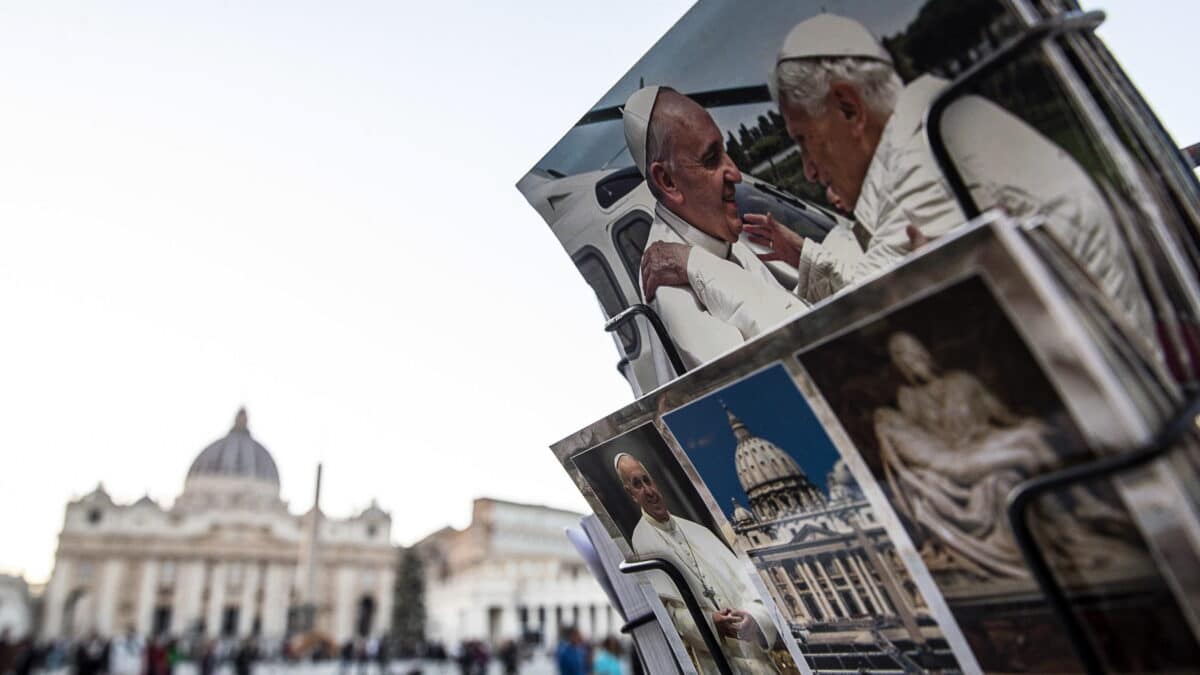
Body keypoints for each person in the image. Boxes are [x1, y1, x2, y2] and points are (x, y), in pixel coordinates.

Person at [644, 14, 1149, 338]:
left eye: (804, 141)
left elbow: (856, 331)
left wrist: (698, 267)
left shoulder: (929, 160)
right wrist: (805, 256)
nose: (810, 169)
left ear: (848, 107)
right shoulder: (933, 125)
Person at [622, 86, 805, 374]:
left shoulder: (712, 232)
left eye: (726, 152)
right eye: (711, 160)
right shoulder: (670, 289)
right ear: (668, 181)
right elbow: (794, 359)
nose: (735, 173)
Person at [614, 453, 779, 675]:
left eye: (647, 480)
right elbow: (673, 613)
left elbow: (748, 584)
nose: (649, 491)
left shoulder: (699, 531)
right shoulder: (641, 542)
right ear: (630, 494)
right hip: (718, 665)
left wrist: (754, 617)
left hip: (760, 660)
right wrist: (713, 623)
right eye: (637, 484)